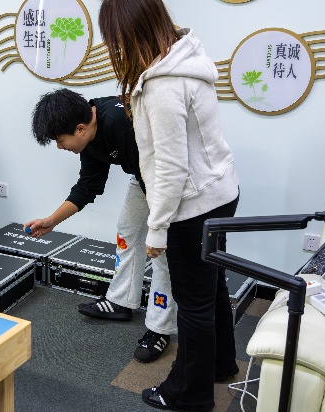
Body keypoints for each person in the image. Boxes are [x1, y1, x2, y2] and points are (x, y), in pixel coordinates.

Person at [98, 0, 241, 410]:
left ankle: (188, 393)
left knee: (192, 303)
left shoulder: (162, 85)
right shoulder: (188, 58)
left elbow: (171, 168)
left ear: (131, 31)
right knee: (211, 288)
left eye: (115, 37)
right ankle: (221, 364)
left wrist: (157, 229)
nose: (115, 47)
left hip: (193, 206)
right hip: (221, 192)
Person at [24, 88, 177, 363]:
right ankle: (121, 301)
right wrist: (51, 221)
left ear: (80, 129)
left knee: (162, 251)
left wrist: (159, 229)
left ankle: (160, 328)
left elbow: (158, 179)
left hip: (170, 179)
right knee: (127, 232)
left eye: (60, 141)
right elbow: (88, 186)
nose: (60, 147)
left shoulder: (120, 124)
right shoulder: (89, 132)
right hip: (144, 174)